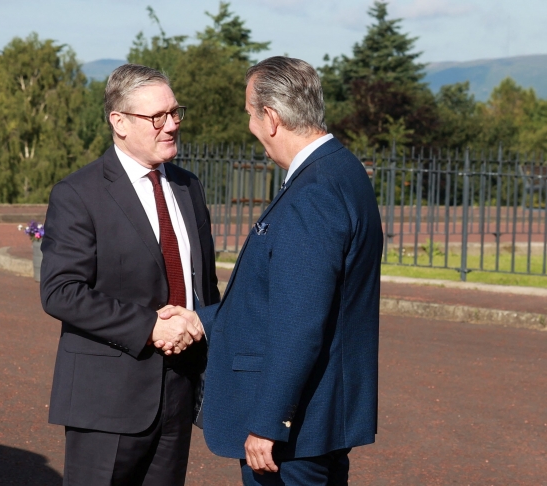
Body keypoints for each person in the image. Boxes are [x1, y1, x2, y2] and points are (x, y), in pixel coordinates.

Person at [161, 56, 383, 485]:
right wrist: (201, 320)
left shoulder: (313, 193)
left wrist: (268, 421)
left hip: (297, 432)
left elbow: (299, 321)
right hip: (322, 418)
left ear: (272, 117)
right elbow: (283, 298)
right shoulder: (342, 168)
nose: (250, 127)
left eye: (250, 113)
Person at [40, 63, 220, 486]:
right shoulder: (78, 194)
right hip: (108, 399)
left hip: (179, 390)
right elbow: (60, 292)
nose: (172, 125)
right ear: (118, 122)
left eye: (175, 112)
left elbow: (203, 287)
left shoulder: (188, 187)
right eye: (157, 116)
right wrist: (149, 327)